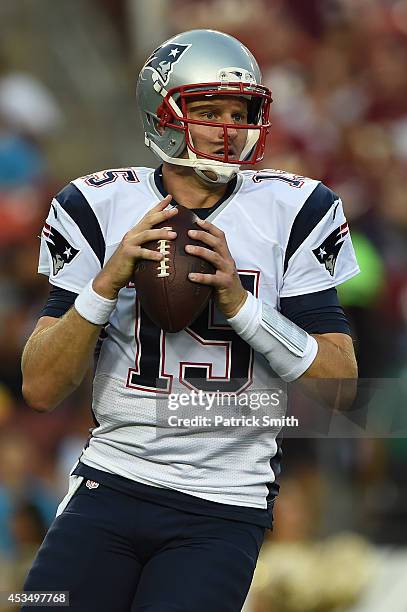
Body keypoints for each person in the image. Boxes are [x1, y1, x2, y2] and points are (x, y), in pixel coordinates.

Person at [21, 29, 359, 612]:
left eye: (239, 111)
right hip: (111, 481)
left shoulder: (297, 208)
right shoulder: (96, 206)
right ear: (164, 113)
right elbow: (40, 386)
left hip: (223, 502)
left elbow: (340, 387)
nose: (228, 129)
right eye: (208, 111)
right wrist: (106, 286)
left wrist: (242, 307)